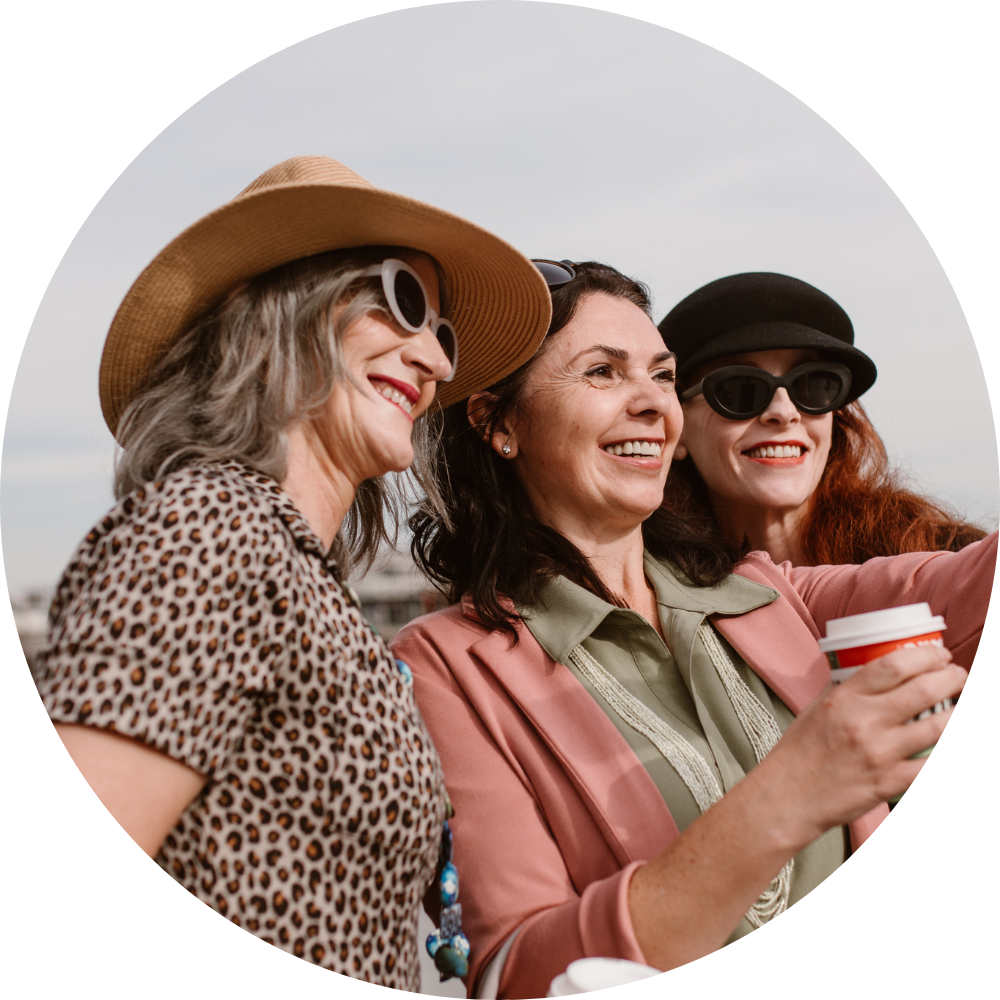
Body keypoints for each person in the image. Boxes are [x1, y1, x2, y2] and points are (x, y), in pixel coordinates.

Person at [391, 261, 998, 998]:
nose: (650, 403)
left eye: (660, 374)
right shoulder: (446, 666)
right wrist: (788, 796)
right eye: (603, 373)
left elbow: (971, 585)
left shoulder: (765, 593)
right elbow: (517, 973)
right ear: (498, 422)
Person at [35, 156, 551, 993]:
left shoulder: (291, 568)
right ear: (272, 311)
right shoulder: (204, 529)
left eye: (445, 336)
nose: (437, 363)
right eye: (404, 302)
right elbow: (68, 892)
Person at [657, 271, 986, 567]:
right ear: (678, 426)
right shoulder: (651, 602)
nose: (784, 413)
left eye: (812, 385)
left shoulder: (951, 561)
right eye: (740, 390)